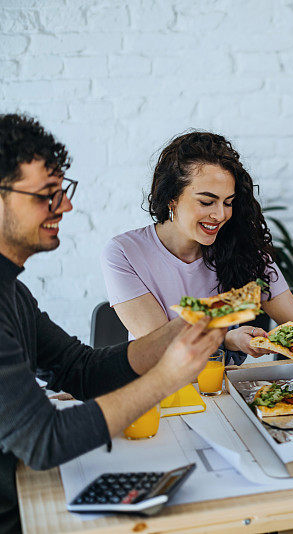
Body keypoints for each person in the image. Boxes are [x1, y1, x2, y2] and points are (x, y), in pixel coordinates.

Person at [0, 114, 226, 534]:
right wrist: (167, 377)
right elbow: (43, 440)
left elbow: (79, 370)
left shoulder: (12, 293)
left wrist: (191, 326)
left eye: (62, 191)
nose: (65, 205)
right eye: (45, 195)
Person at [101, 131, 293, 362]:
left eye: (228, 202)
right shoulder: (125, 253)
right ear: (171, 198)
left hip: (223, 390)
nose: (219, 215)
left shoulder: (242, 250)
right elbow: (161, 349)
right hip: (161, 396)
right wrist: (226, 340)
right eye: (207, 202)